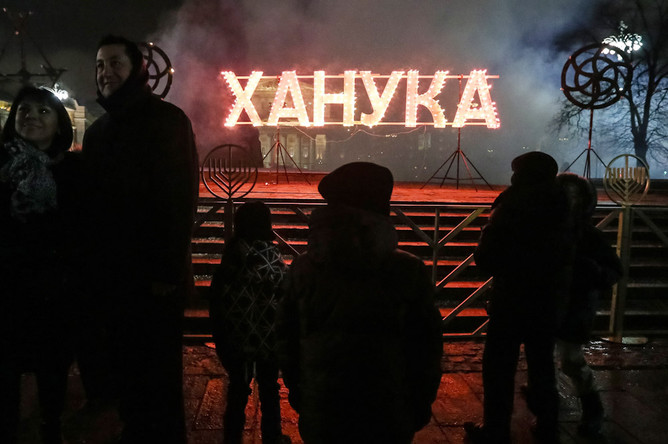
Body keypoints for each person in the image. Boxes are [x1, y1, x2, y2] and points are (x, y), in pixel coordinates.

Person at [81, 35, 199, 443]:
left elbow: (180, 197)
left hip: (154, 279)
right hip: (113, 277)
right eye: (99, 65)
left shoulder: (168, 120)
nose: (105, 72)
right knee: (125, 371)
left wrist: (167, 270)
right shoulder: (98, 132)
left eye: (115, 62)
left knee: (159, 377)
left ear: (137, 69)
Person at [275, 162, 443, 444]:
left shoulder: (304, 270)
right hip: (388, 413)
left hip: (324, 409)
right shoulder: (407, 271)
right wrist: (419, 403)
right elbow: (426, 348)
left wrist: (301, 393)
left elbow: (286, 339)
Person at [465, 152, 573, 444]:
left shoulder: (511, 204)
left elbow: (487, 257)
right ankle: (548, 424)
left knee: (499, 366)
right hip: (547, 299)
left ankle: (496, 428)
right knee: (542, 365)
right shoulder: (562, 205)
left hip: (512, 299)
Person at [0, 86, 80, 444]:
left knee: (53, 369)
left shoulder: (73, 171)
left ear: (60, 124)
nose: (31, 116)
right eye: (24, 110)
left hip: (55, 291)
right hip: (5, 288)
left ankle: (51, 427)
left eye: (43, 111)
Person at [209, 201, 290, 444]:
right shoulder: (272, 258)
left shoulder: (232, 257)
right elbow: (284, 296)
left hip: (238, 338)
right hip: (267, 338)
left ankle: (232, 437)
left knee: (237, 390)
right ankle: (273, 436)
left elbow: (217, 302)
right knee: (269, 388)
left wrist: (222, 339)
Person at [553, 173, 621, 437]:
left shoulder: (589, 236)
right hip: (551, 304)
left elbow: (613, 270)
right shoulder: (549, 232)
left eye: (576, 198)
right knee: (544, 358)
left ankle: (593, 408)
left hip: (576, 306)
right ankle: (547, 403)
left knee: (571, 361)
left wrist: (591, 272)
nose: (571, 203)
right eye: (565, 198)